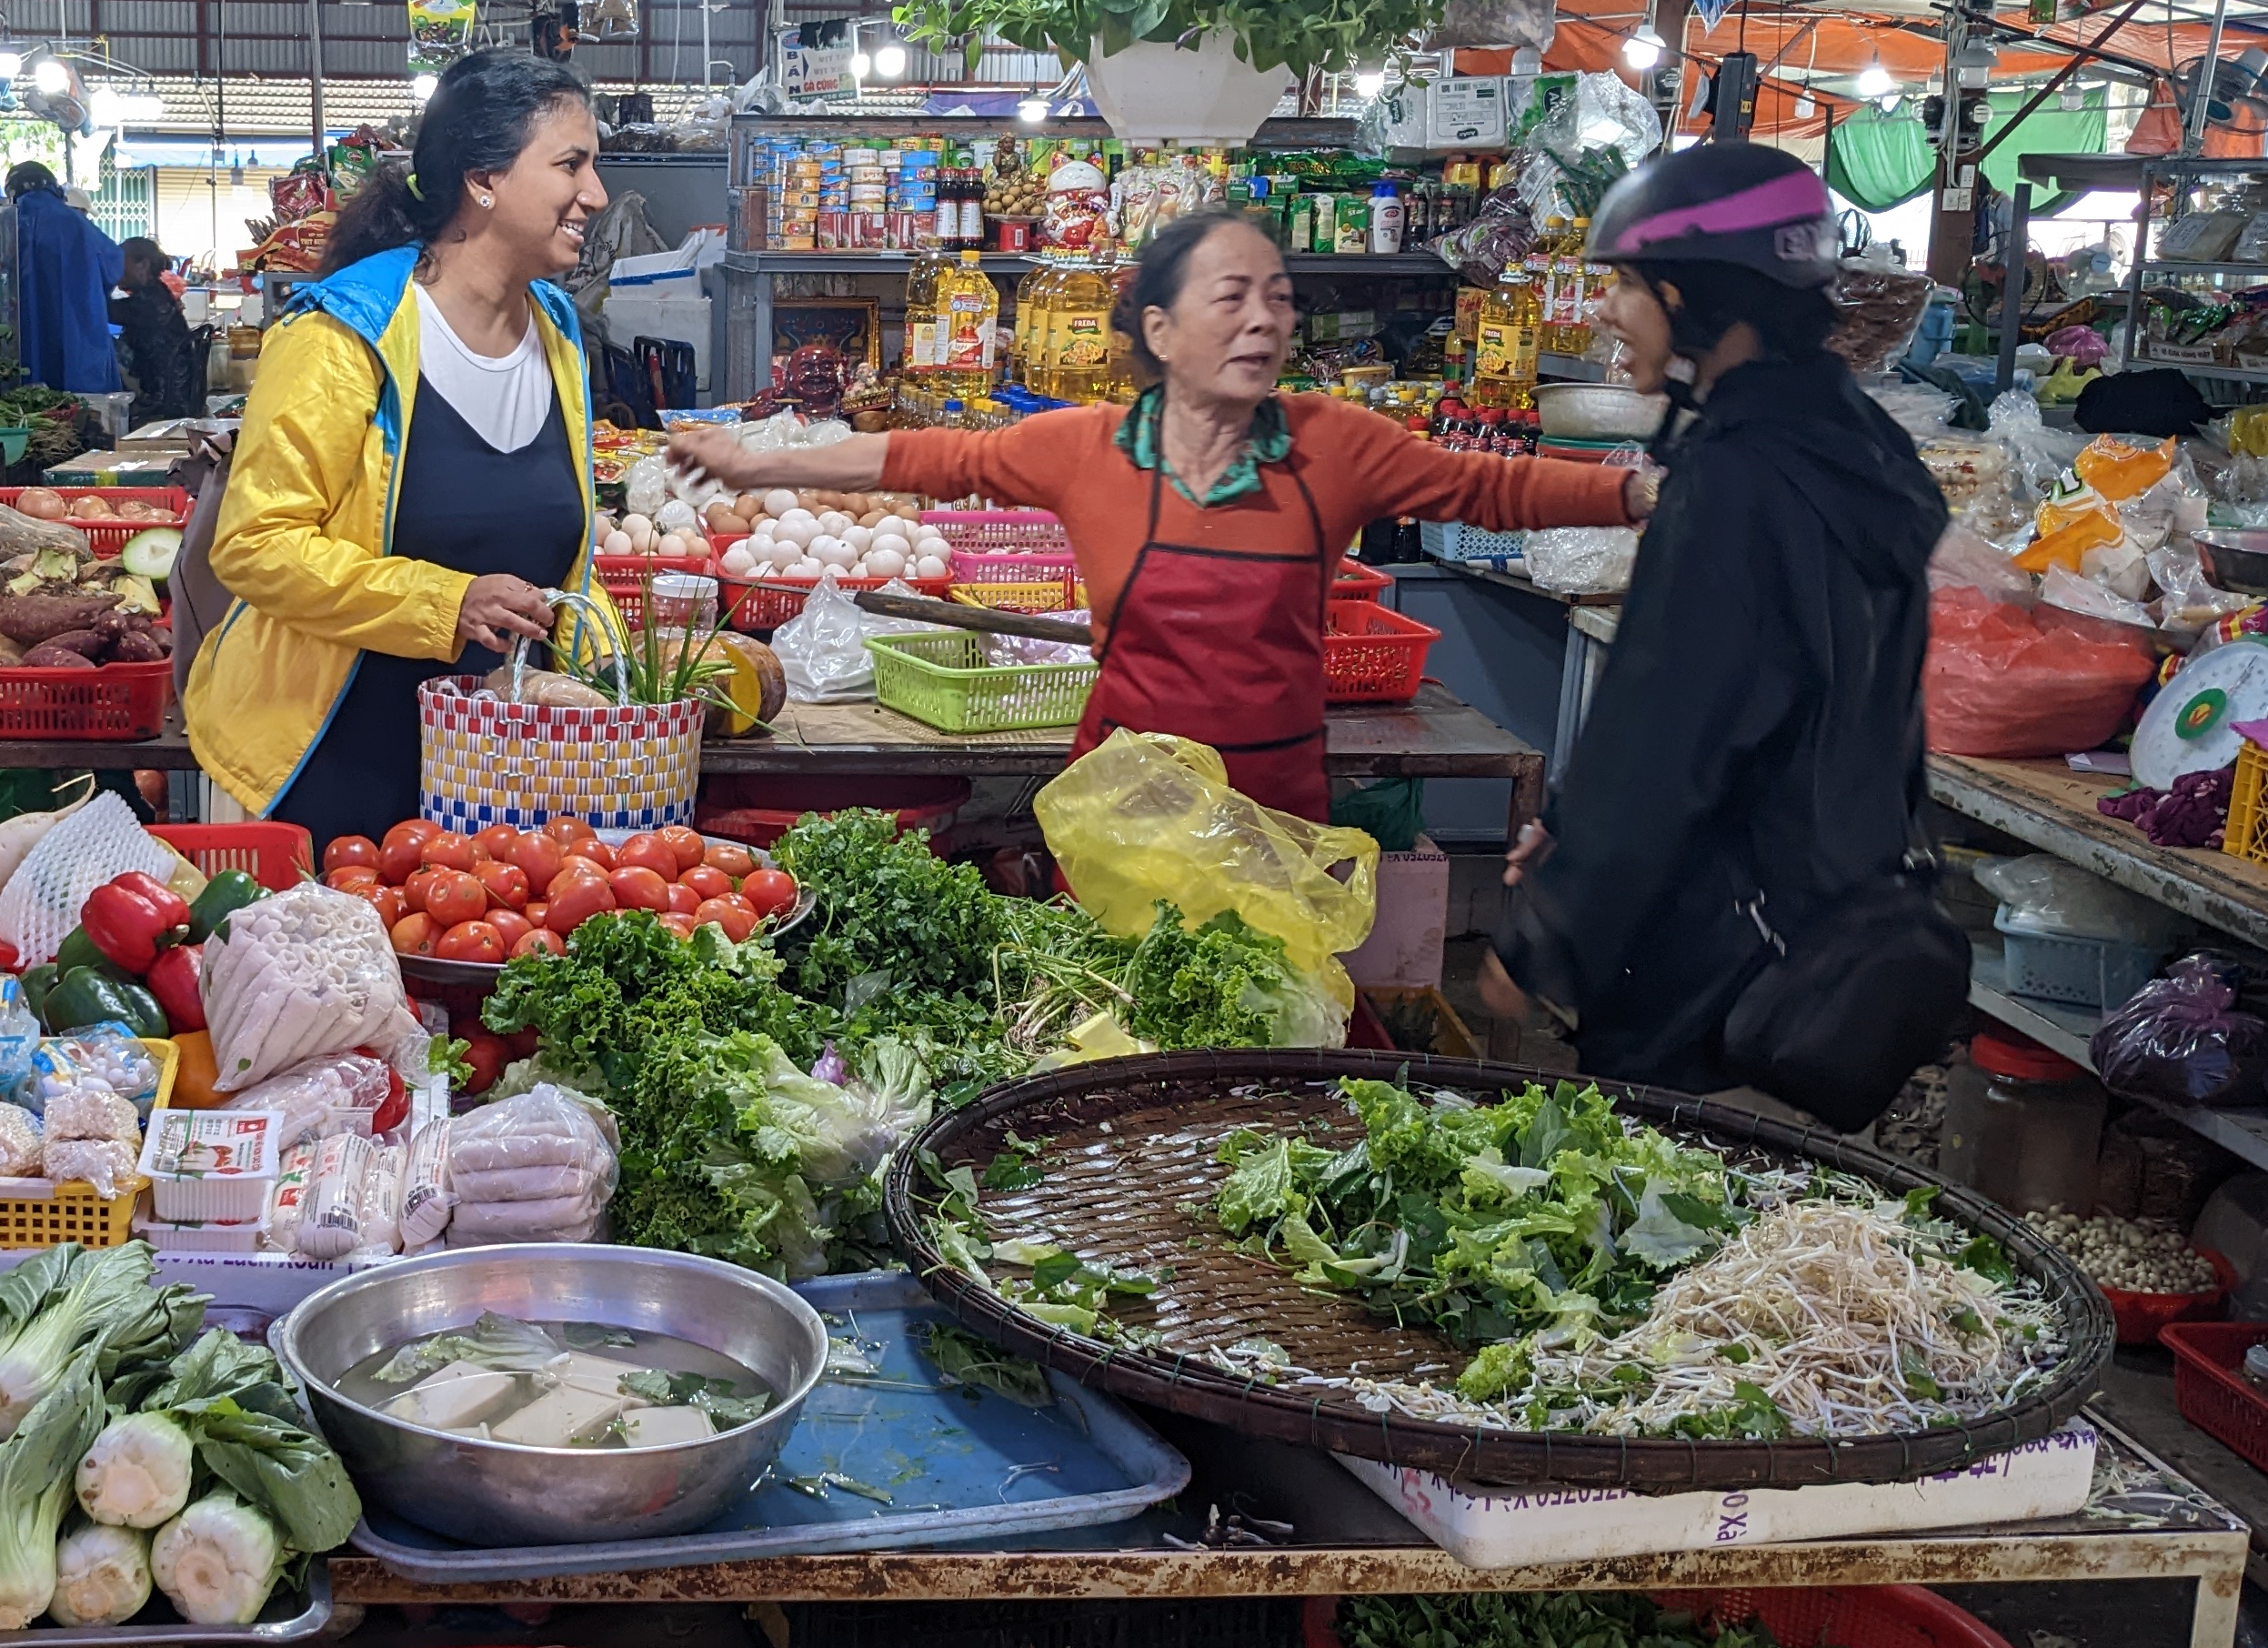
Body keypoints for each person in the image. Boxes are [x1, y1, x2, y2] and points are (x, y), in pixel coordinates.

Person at [669, 209, 1652, 822]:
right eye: (1233, 299)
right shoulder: (1084, 446)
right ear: (1159, 330)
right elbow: (922, 459)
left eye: (1278, 299)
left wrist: (1632, 492)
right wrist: (760, 456)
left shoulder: (1337, 443)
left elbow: (1492, 490)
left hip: (1278, 815)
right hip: (1125, 807)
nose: (1266, 320)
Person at [1487, 144, 1952, 1105]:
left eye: (1626, 284)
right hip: (1831, 930)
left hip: (1709, 957)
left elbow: (1667, 737)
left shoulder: (1738, 482)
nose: (1610, 309)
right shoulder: (1864, 450)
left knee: (1674, 1214)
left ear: (1695, 295)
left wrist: (1546, 932)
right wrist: (1569, 834)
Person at [186, 49, 606, 841]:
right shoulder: (343, 333)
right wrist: (447, 602)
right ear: (484, 180)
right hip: (330, 767)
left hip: (497, 784)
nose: (596, 195)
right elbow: (255, 545)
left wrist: (621, 677)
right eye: (571, 165)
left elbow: (565, 565)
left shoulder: (556, 330)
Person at [4, 160, 123, 393]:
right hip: (81, 331)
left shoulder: (8, 222)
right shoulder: (77, 223)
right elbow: (114, 265)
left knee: (32, 399)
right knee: (87, 409)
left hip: (23, 333)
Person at [112, 235, 207, 422]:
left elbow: (99, 308)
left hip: (164, 399)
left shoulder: (150, 303)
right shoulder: (157, 294)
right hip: (178, 394)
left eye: (120, 262)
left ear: (143, 265)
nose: (115, 269)